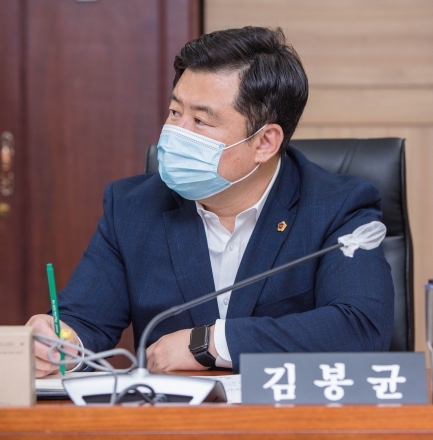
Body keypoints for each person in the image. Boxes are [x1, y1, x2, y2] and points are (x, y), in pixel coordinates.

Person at [27, 27, 394, 378]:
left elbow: (360, 326)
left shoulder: (337, 207)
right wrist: (58, 345)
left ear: (265, 142)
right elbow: (84, 323)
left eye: (201, 121)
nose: (176, 133)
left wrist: (210, 343)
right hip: (175, 415)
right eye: (175, 112)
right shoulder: (133, 208)